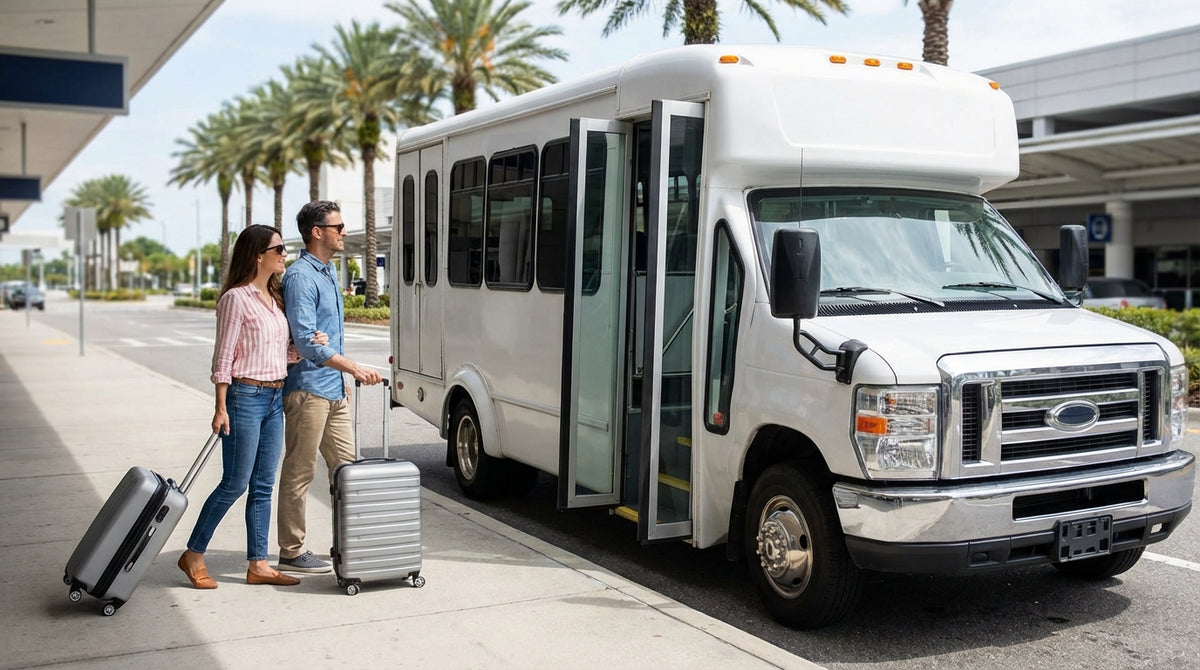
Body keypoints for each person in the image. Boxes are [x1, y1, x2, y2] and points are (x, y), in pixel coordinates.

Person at [178, 225, 310, 588]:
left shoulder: (274, 299)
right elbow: (224, 357)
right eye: (278, 248)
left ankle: (258, 564)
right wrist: (220, 406)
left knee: (264, 485)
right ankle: (193, 554)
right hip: (244, 398)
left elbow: (273, 353)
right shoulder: (235, 299)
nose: (284, 253)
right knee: (235, 483)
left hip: (273, 398)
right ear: (257, 255)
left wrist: (301, 349)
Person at [276, 200, 383, 574]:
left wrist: (341, 377)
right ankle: (290, 549)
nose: (345, 233)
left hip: (333, 389)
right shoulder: (302, 276)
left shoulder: (325, 273)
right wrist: (351, 367)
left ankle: (351, 544)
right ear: (317, 232)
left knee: (346, 470)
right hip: (307, 391)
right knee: (300, 471)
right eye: (339, 227)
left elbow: (327, 338)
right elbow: (307, 341)